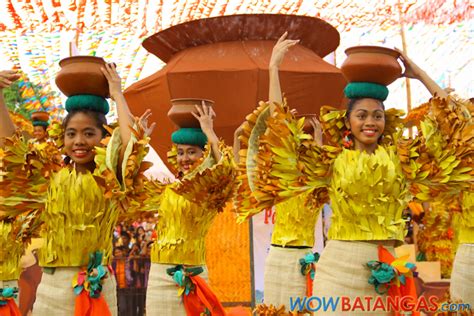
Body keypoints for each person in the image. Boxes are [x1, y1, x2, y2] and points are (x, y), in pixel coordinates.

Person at [238, 33, 472, 315]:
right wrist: (274, 69)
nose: (370, 122)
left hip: (387, 272)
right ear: (348, 121)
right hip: (338, 274)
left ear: (386, 121)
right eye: (362, 115)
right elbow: (280, 135)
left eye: (377, 115)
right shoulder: (332, 161)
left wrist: (420, 75)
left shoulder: (402, 160)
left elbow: (457, 130)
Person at [0, 63, 154, 316]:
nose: (79, 141)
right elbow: (11, 147)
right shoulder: (51, 176)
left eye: (89, 133)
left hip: (95, 287)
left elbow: (132, 149)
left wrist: (117, 93)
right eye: (71, 134)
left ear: (104, 138)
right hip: (51, 288)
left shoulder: (111, 179)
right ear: (63, 138)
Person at [144, 102, 236, 316]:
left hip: (192, 272)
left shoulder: (209, 191)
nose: (184, 159)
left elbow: (227, 171)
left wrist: (209, 131)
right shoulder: (169, 189)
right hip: (159, 275)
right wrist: (141, 142)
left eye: (191, 152)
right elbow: (129, 187)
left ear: (204, 155)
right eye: (180, 153)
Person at [234, 109, 327, 313]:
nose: (302, 152)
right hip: (276, 258)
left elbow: (321, 168)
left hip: (302, 259)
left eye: (306, 147)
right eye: (298, 147)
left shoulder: (317, 187)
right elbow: (243, 174)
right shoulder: (279, 182)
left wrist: (319, 143)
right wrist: (238, 139)